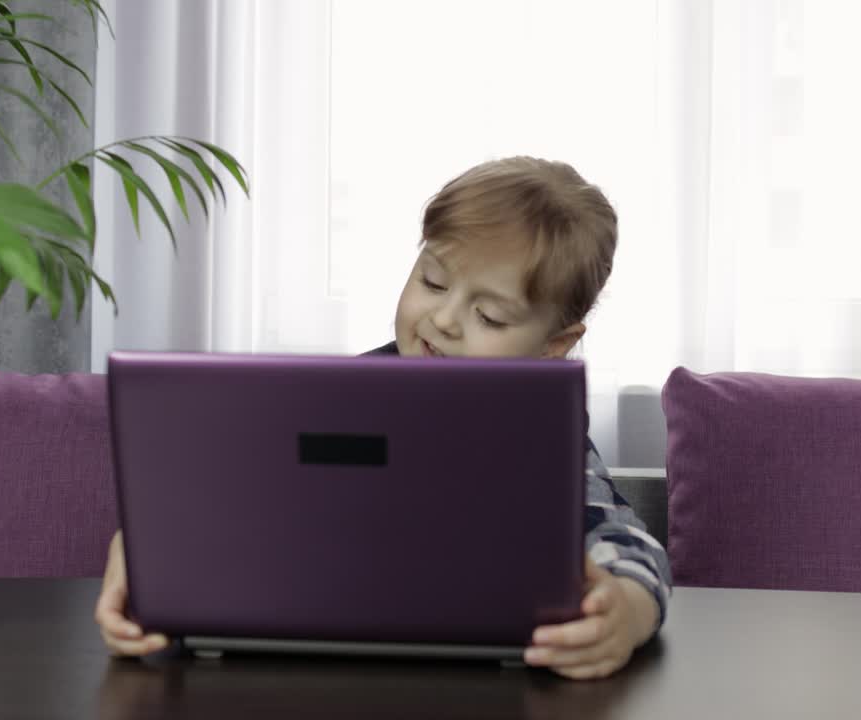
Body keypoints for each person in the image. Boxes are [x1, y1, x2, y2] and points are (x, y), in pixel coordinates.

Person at [96, 156, 671, 680]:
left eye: (491, 316)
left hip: (473, 681)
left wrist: (627, 612)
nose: (443, 319)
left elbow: (626, 543)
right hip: (307, 670)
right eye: (433, 281)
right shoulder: (340, 399)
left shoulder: (540, 434)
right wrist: (143, 555)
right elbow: (218, 504)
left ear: (554, 344)